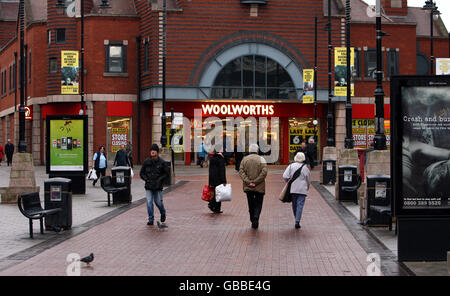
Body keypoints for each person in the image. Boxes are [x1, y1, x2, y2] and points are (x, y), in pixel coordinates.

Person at [238, 143, 268, 229]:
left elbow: (241, 171)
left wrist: (248, 181)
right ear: (257, 150)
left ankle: (252, 218)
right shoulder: (262, 159)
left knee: (250, 203)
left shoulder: (244, 159)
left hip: (248, 187)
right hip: (259, 186)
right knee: (258, 203)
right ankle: (256, 217)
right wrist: (256, 181)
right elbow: (264, 172)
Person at [140, 144, 170, 226]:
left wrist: (160, 180)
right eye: (151, 150)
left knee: (158, 202)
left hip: (157, 187)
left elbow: (166, 173)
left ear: (157, 152)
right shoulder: (146, 162)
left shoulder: (162, 162)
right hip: (149, 186)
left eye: (154, 150)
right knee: (149, 202)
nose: (152, 152)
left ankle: (163, 212)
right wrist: (146, 179)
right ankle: (151, 219)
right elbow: (141, 173)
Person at [283, 152, 311, 229]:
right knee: (300, 205)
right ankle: (297, 220)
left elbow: (285, 176)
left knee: (294, 205)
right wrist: (307, 187)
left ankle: (296, 218)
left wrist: (288, 181)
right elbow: (308, 179)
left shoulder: (291, 166)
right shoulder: (305, 168)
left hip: (293, 189)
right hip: (302, 189)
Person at [208, 149, 227, 214]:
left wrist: (210, 182)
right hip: (219, 179)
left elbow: (210, 171)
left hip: (213, 179)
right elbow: (222, 171)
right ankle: (212, 204)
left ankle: (217, 209)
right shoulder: (220, 159)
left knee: (217, 193)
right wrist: (224, 181)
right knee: (219, 194)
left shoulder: (212, 159)